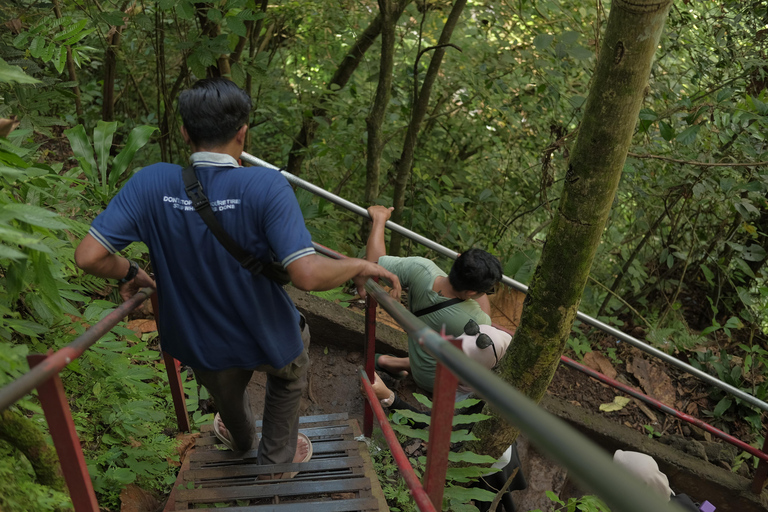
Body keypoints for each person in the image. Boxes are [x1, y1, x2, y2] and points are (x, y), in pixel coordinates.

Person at [74, 77, 401, 479]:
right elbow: (307, 273)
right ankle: (277, 460)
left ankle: (241, 436)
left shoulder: (150, 183)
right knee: (291, 368)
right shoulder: (265, 186)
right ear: (242, 133)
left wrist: (131, 271)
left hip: (199, 339)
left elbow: (88, 256)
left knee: (225, 388)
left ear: (184, 132)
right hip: (267, 333)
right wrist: (360, 265)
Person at [365, 205, 502, 392]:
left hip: (421, 355)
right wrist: (483, 288)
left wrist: (379, 220)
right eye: (488, 289)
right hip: (434, 380)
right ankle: (392, 363)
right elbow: (487, 328)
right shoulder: (474, 320)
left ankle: (387, 361)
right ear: (471, 292)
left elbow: (374, 263)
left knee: (436, 349)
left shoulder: (421, 268)